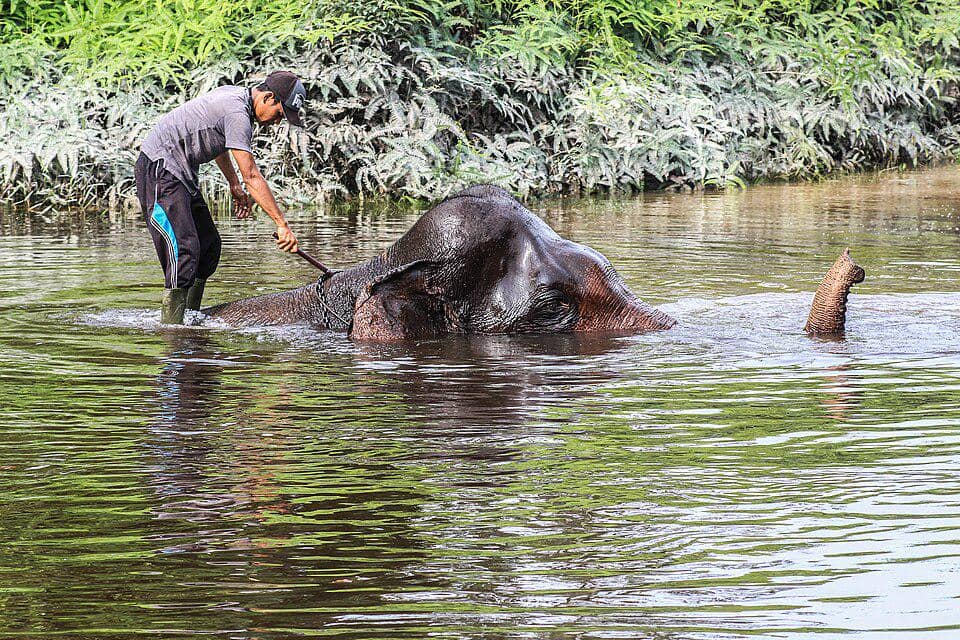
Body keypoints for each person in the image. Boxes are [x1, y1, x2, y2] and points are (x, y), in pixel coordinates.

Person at [134, 70, 306, 324]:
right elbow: (253, 176)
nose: (277, 122)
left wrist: (233, 184)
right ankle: (173, 331)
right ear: (268, 97)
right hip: (159, 171)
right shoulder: (237, 114)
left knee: (208, 246)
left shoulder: (235, 98)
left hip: (180, 174)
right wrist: (282, 225)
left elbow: (218, 142)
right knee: (184, 250)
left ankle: (190, 319)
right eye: (280, 114)